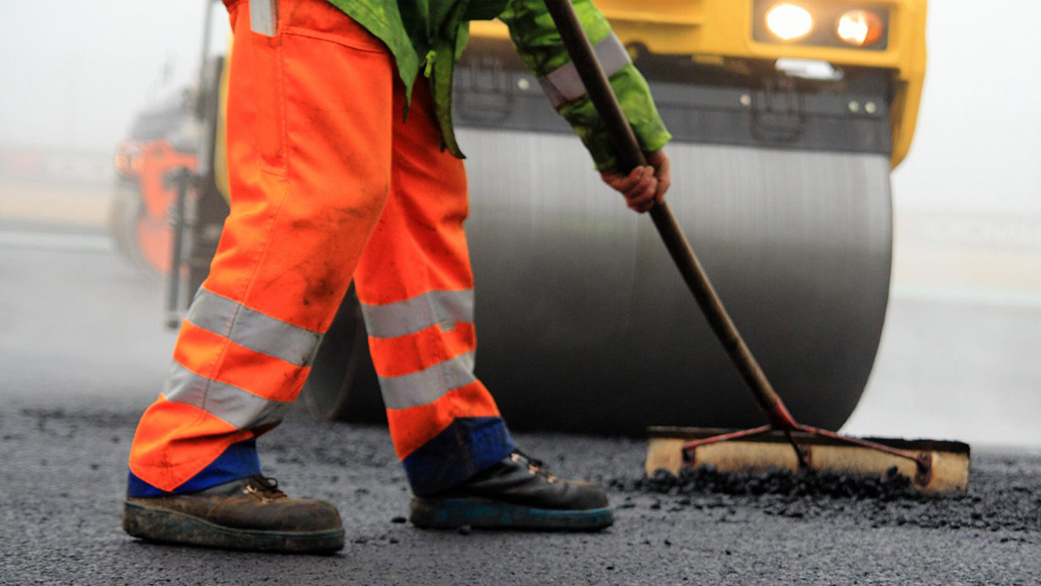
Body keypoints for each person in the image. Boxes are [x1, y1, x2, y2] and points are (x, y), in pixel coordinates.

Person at [122, 0, 672, 554]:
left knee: (420, 210)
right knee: (318, 198)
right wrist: (617, 131)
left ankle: (452, 444)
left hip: (409, 21)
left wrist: (620, 127)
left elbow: (552, 10)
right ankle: (188, 452)